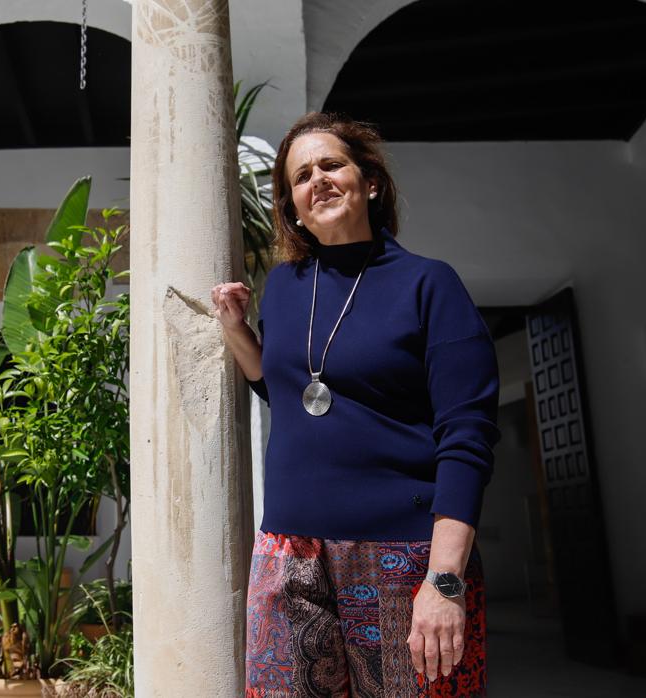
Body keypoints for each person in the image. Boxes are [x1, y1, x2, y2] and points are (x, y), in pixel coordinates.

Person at [212, 112, 500, 697]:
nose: (316, 179)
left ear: (369, 182)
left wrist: (444, 579)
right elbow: (288, 392)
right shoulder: (286, 288)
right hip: (288, 551)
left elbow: (467, 433)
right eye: (300, 176)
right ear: (292, 205)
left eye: (330, 164)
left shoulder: (429, 284)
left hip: (402, 556)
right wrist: (237, 330)